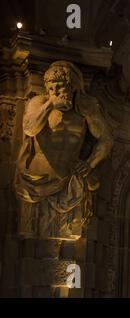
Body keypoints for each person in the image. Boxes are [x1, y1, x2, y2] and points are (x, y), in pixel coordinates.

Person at [15, 61, 113, 238]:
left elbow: (105, 140)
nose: (56, 92)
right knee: (27, 234)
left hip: (68, 178)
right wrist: (51, 104)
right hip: (36, 177)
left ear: (73, 87)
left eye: (61, 87)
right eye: (51, 88)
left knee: (68, 238)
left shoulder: (85, 108)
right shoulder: (39, 102)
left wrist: (90, 164)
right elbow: (30, 128)